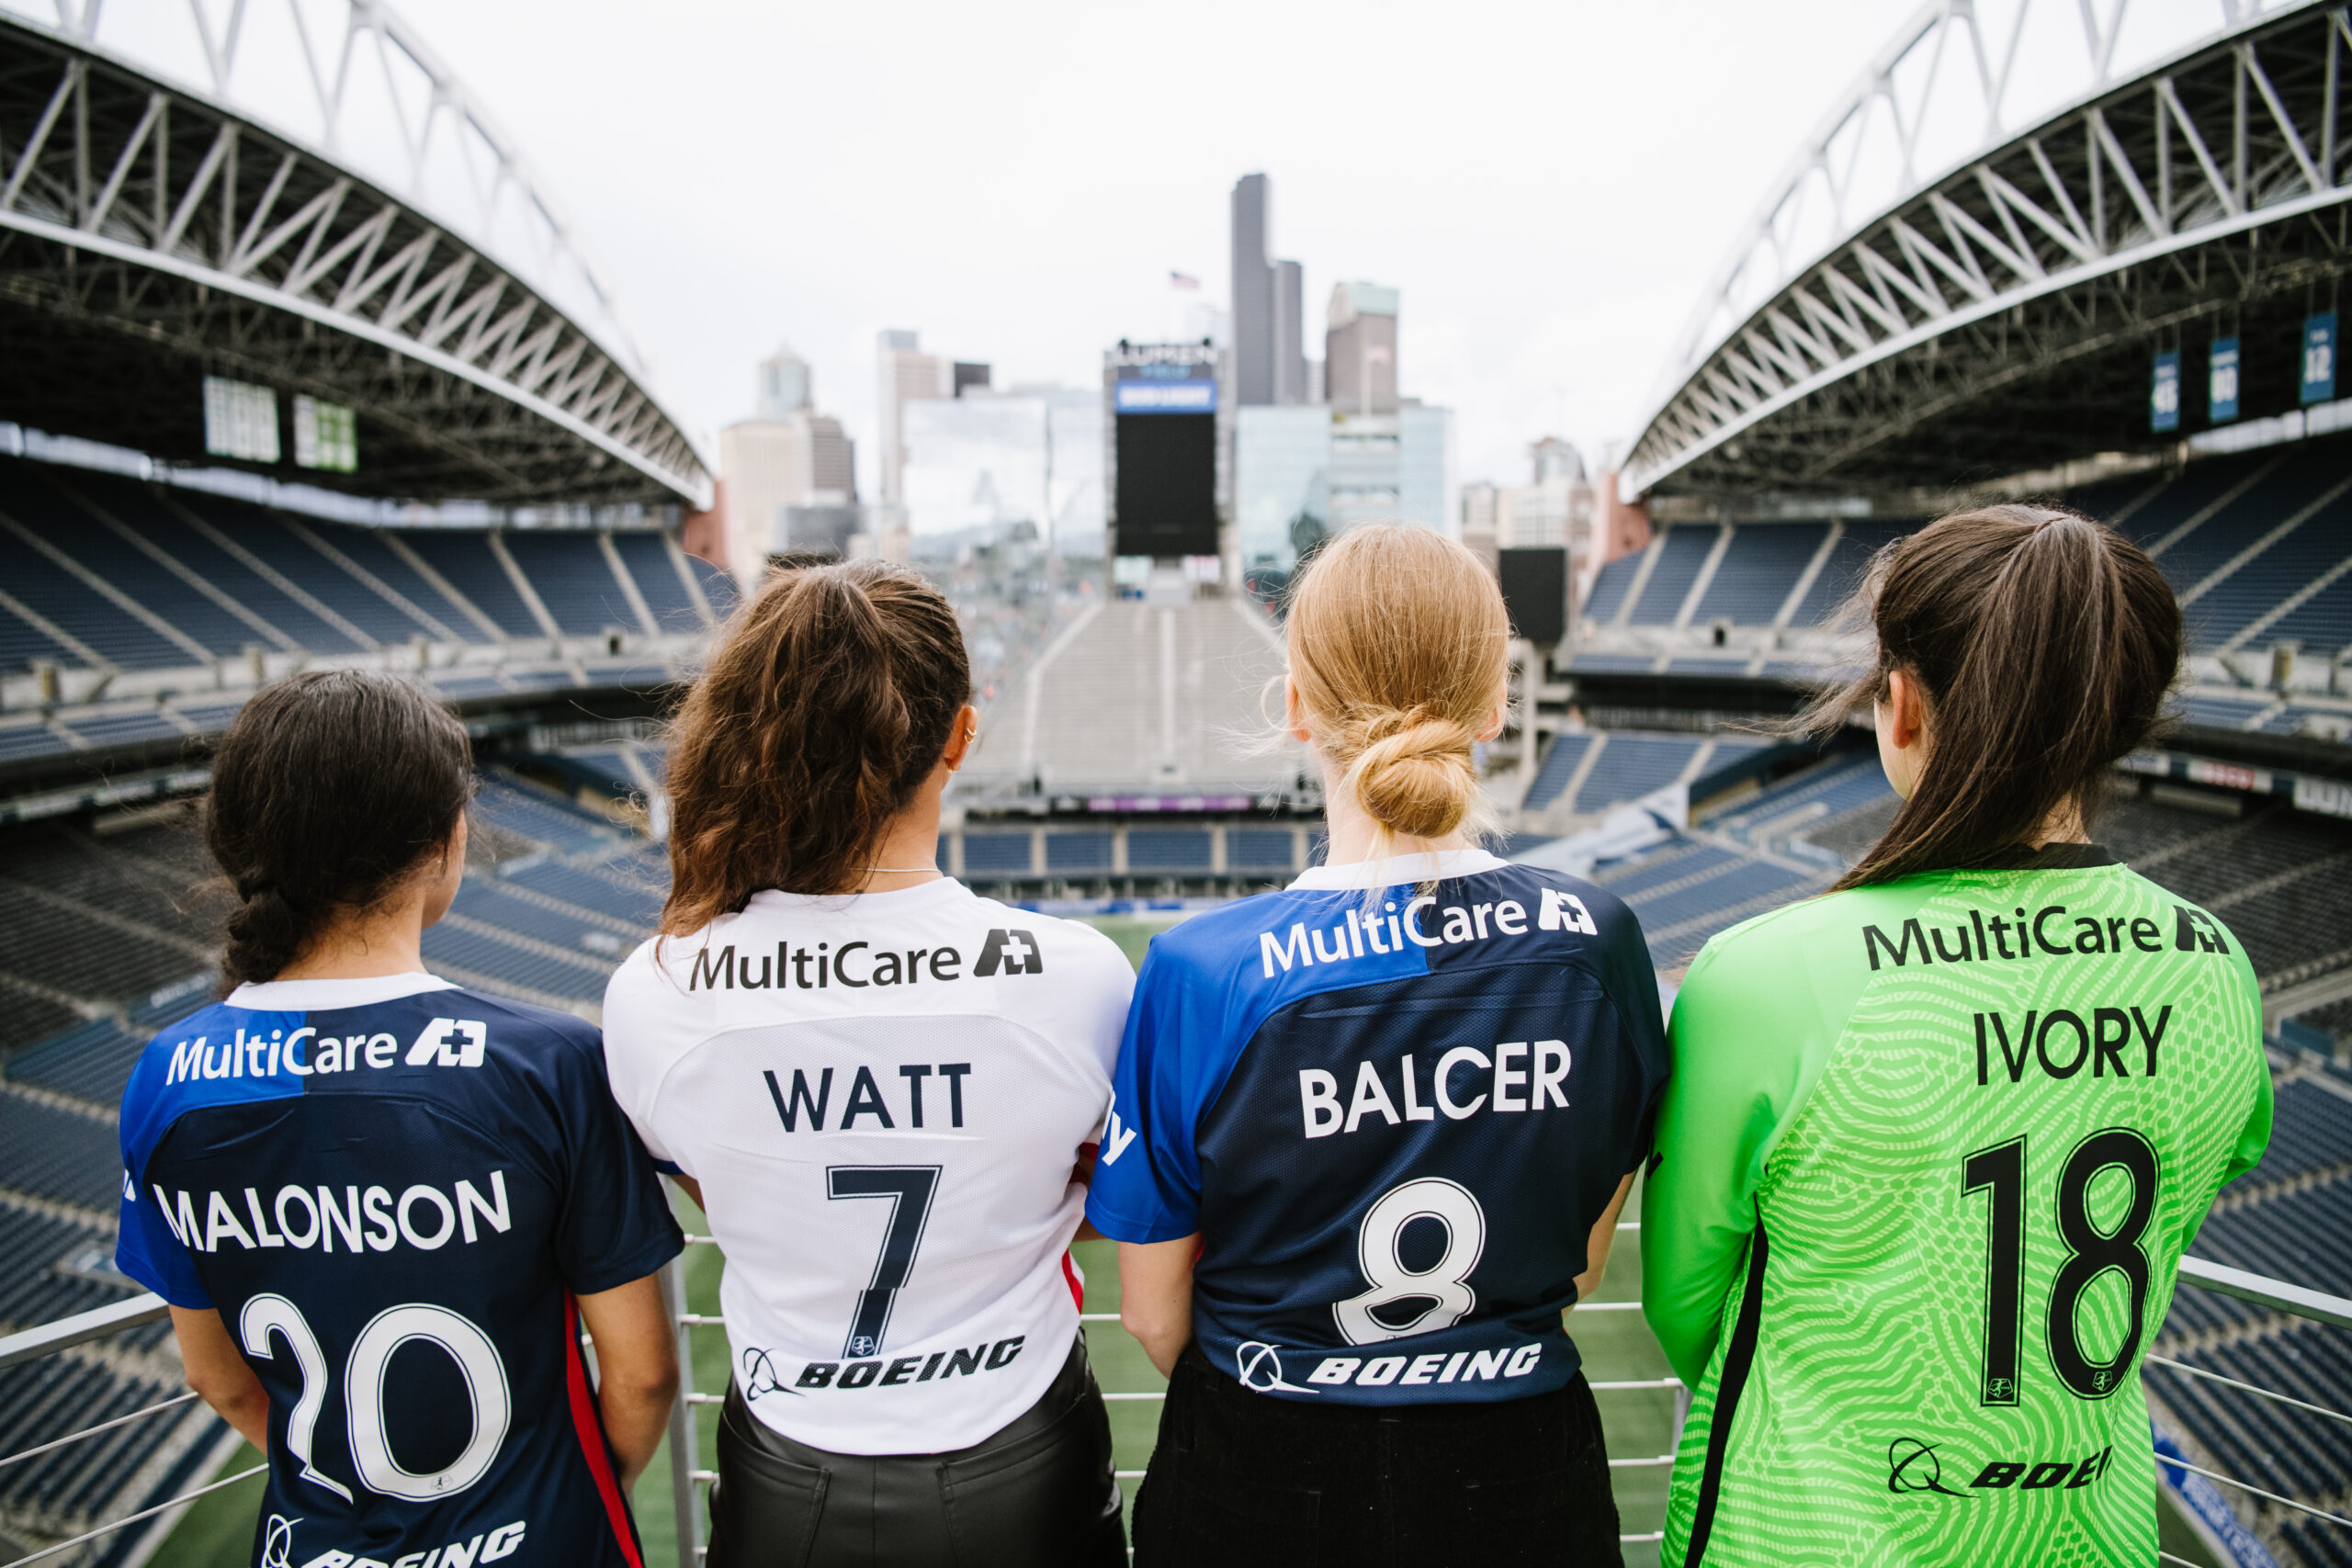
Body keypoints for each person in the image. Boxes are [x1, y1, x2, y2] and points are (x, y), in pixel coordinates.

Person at [1642, 505, 2273, 1567]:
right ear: (2123, 717)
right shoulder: (2214, 967)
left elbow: (1688, 1305)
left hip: (1801, 1536)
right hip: (2089, 1536)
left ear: (1901, 707)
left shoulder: (1763, 973)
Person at [1088, 524, 1668, 1566]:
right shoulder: (1597, 942)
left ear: (1299, 708)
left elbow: (1150, 1314)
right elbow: (1579, 1265)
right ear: (1496, 704)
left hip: (1257, 1457)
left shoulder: (1201, 969)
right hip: (1524, 1463)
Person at [601, 560, 1135, 1566]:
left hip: (786, 1470)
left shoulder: (655, 993)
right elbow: (1107, 1196)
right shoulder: (1080, 979)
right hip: (1024, 1449)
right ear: (961, 738)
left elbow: (716, 1184)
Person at [117, 670, 684, 1568]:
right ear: (447, 841)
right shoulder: (546, 1062)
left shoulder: (167, 1079)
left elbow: (217, 1379)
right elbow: (645, 1375)